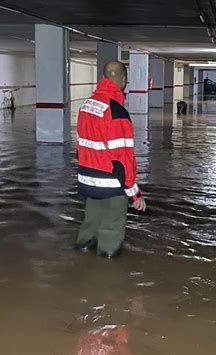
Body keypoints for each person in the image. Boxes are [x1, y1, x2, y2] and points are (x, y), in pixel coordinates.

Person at [74, 61, 146, 258]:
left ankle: (81, 254)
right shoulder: (116, 111)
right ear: (123, 81)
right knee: (111, 231)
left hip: (87, 179)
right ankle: (105, 274)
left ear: (104, 78)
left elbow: (81, 144)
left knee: (91, 221)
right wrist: (134, 193)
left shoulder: (86, 105)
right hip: (111, 183)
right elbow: (122, 158)